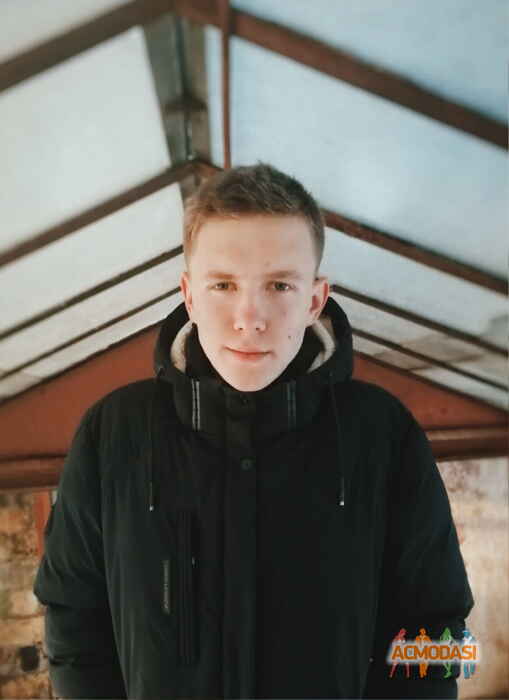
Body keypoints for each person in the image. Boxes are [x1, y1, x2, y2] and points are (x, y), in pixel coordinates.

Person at [33, 163, 474, 699]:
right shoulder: (113, 434)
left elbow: (438, 624)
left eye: (279, 285)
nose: (249, 317)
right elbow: (73, 615)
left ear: (315, 299)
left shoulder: (383, 435)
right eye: (223, 285)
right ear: (189, 295)